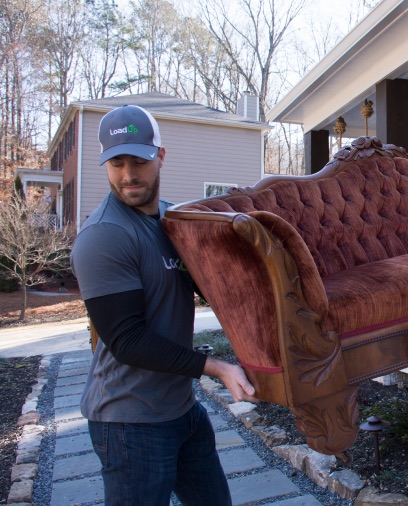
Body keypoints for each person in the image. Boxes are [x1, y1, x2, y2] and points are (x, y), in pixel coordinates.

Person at [71, 105, 258, 505]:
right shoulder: (103, 236)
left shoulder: (174, 221)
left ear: (160, 156)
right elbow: (127, 340)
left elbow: (215, 290)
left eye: (138, 160)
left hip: (181, 411)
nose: (128, 175)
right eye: (116, 163)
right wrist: (217, 368)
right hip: (129, 421)